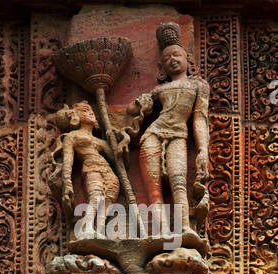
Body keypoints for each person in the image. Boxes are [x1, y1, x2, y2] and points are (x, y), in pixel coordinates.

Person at [126, 22, 209, 253]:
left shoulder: (198, 85)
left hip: (179, 135)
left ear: (187, 59)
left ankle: (183, 227)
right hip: (153, 135)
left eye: (176, 55)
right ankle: (161, 230)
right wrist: (137, 107)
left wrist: (203, 149)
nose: (172, 60)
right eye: (166, 58)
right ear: (162, 67)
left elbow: (200, 119)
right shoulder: (159, 90)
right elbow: (134, 112)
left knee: (179, 181)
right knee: (154, 189)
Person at [49, 101, 119, 237]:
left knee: (108, 201)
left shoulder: (100, 142)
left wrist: (120, 140)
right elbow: (68, 161)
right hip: (91, 169)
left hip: (108, 171)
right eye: (86, 110)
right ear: (76, 115)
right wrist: (67, 181)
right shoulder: (72, 136)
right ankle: (86, 229)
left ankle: (99, 232)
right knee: (96, 198)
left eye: (91, 110)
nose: (91, 113)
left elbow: (116, 158)